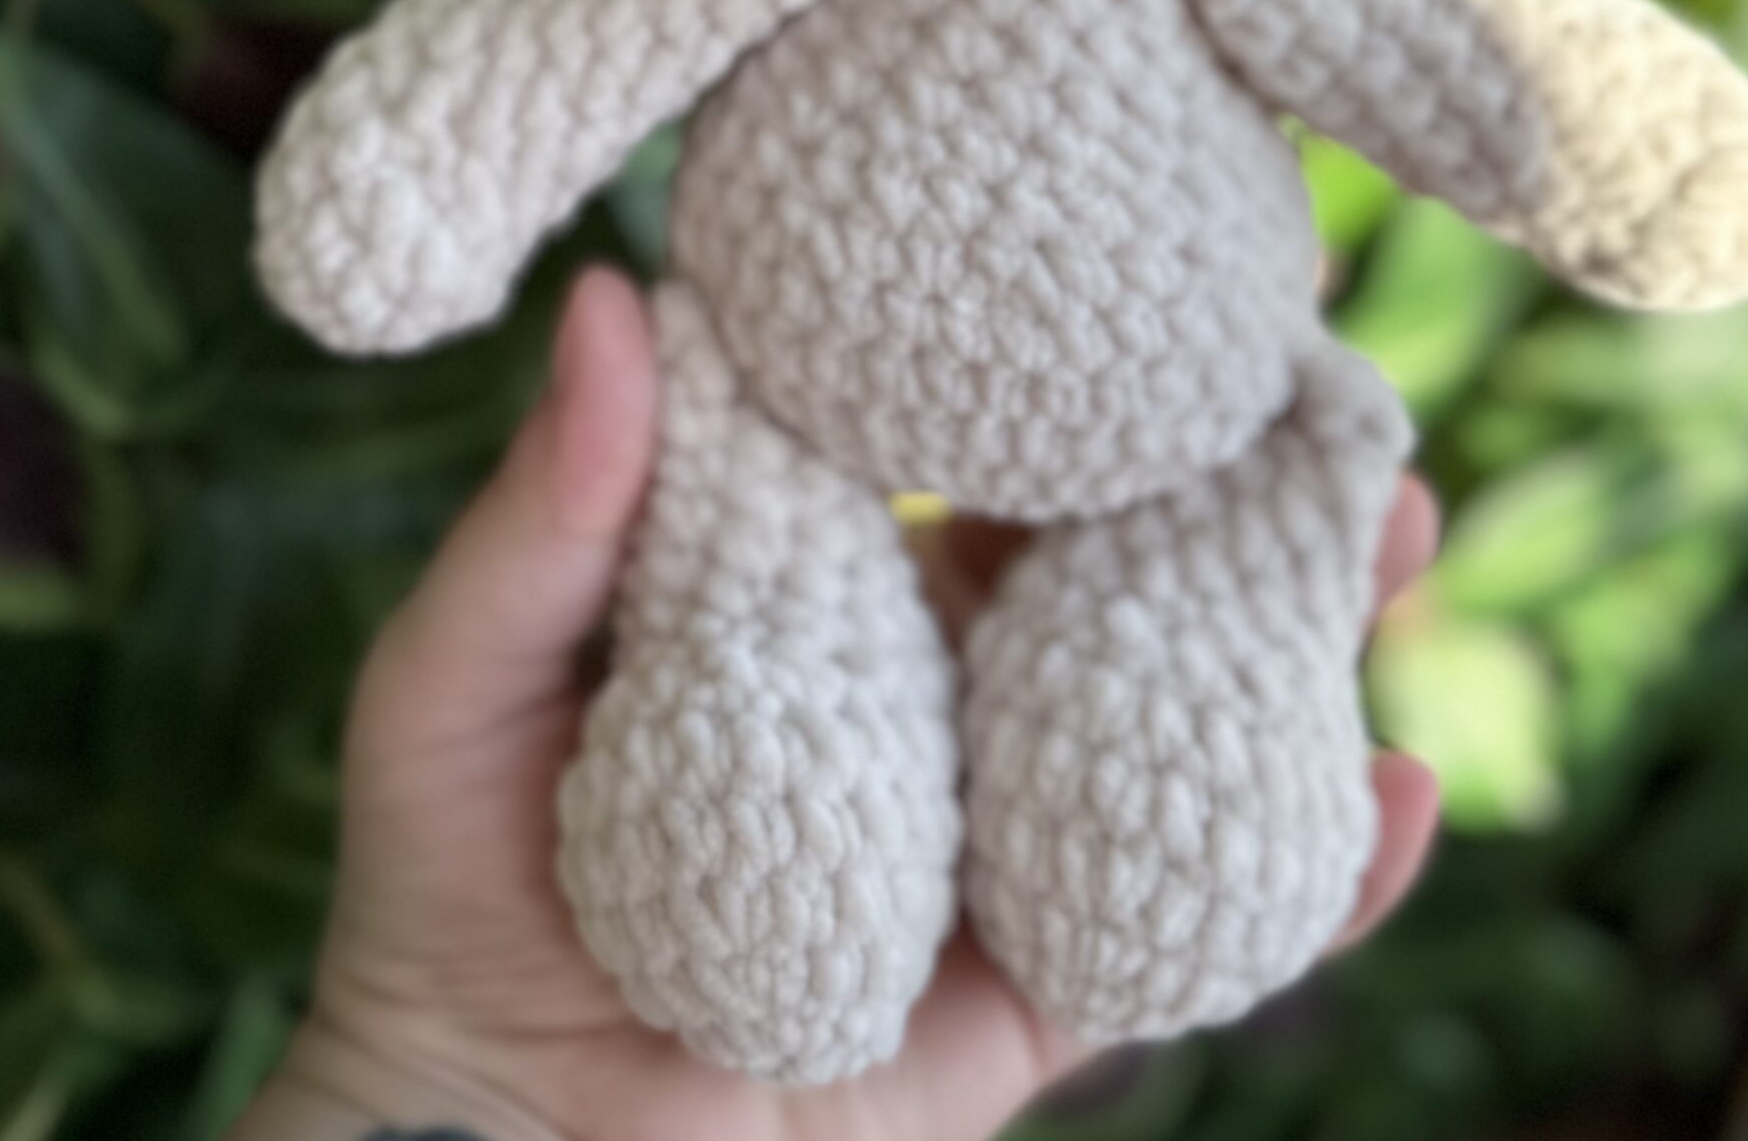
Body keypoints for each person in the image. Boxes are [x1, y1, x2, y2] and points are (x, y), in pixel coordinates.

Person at [233, 269, 1443, 1141]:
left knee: (1142, 790)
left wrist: (441, 1074)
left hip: (1155, 382)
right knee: (765, 720)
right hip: (768, 368)